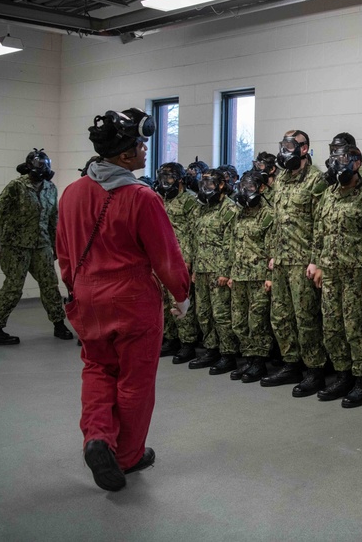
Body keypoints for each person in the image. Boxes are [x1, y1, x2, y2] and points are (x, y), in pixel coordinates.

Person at [58, 108, 190, 491]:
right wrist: (181, 295)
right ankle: (129, 456)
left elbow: (64, 252)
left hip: (87, 298)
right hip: (133, 302)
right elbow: (166, 257)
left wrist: (77, 286)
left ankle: (97, 437)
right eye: (140, 143)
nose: (145, 148)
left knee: (97, 368)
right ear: (125, 155)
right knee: (135, 380)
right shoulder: (141, 197)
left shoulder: (72, 192)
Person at [311, 144, 362, 407]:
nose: (336, 164)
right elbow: (320, 231)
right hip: (331, 271)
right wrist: (317, 263)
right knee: (332, 326)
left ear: (356, 163)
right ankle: (342, 375)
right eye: (333, 159)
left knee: (357, 328)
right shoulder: (329, 194)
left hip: (356, 273)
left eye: (342, 159)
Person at [0, 148, 74, 344]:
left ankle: (59, 324)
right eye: (36, 168)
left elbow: (53, 220)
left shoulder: (51, 188)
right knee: (13, 287)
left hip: (41, 245)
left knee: (50, 284)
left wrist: (57, 247)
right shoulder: (15, 187)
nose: (39, 172)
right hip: (15, 246)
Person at [263, 130, 330, 393]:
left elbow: (321, 223)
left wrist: (316, 260)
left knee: (306, 318)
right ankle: (290, 364)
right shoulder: (280, 179)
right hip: (280, 260)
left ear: (304, 149)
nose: (285, 150)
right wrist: (272, 254)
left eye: (291, 145)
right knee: (280, 316)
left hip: (303, 261)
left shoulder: (316, 180)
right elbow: (277, 220)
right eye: (283, 145)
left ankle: (314, 370)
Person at [187, 169, 239, 373]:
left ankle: (228, 354)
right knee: (203, 313)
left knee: (221, 314)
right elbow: (193, 238)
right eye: (203, 184)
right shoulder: (200, 208)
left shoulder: (229, 209)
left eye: (210, 184)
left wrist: (226, 271)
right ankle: (211, 349)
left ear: (220, 185)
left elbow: (231, 243)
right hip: (201, 269)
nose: (205, 188)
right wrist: (194, 267)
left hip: (219, 270)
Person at [227, 170, 276, 383]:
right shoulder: (239, 213)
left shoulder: (268, 214)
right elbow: (232, 244)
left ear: (262, 188)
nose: (246, 191)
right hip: (238, 275)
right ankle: (247, 357)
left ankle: (259, 362)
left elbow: (273, 247)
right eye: (243, 187)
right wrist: (230, 273)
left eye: (251, 187)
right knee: (239, 321)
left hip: (258, 276)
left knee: (257, 321)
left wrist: (269, 276)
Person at [154, 161, 199, 361]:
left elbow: (193, 233)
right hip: (161, 257)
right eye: (162, 178)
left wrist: (188, 258)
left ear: (180, 180)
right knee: (163, 301)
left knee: (179, 300)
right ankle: (170, 338)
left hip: (180, 258)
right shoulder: (159, 199)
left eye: (169, 178)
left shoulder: (189, 200)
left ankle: (187, 342)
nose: (165, 182)